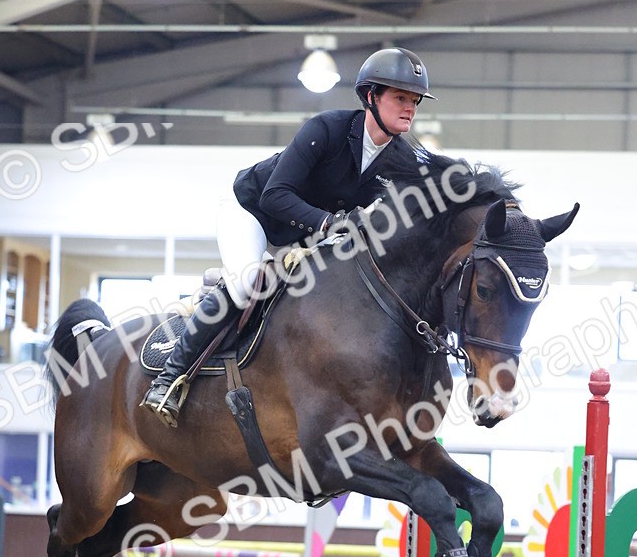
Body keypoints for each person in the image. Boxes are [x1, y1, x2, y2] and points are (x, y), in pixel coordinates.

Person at [141, 47, 436, 426]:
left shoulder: (404, 161)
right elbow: (275, 195)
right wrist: (330, 224)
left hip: (307, 238)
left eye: (414, 100)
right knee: (248, 285)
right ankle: (169, 381)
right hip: (253, 214)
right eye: (400, 97)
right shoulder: (326, 129)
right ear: (370, 97)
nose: (410, 108)